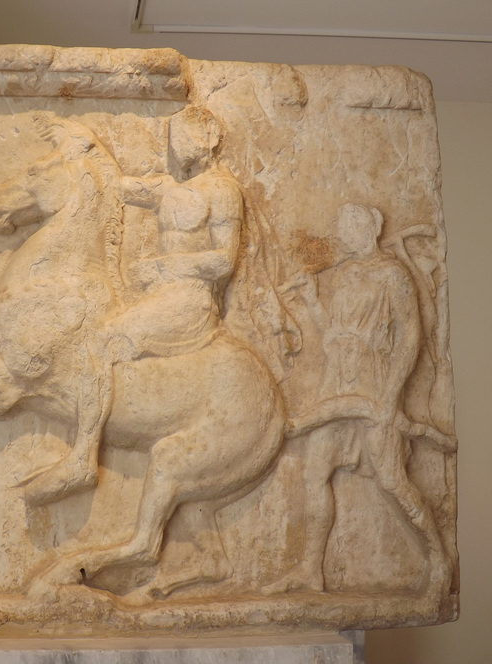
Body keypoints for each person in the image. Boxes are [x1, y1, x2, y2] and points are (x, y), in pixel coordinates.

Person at [23, 106, 243, 505]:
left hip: (190, 301)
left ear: (208, 138)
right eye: (173, 137)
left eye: (184, 136)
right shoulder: (167, 188)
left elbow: (224, 260)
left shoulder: (222, 191)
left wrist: (164, 268)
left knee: (100, 341)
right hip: (159, 295)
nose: (176, 146)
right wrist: (78, 148)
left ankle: (82, 459)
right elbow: (115, 186)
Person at [264, 203, 450, 593]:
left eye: (352, 224)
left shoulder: (392, 274)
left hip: (374, 381)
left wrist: (389, 395)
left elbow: (410, 337)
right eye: (342, 225)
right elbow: (334, 333)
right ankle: (311, 569)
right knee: (315, 472)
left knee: (392, 480)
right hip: (336, 380)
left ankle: (438, 558)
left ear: (372, 227)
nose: (345, 232)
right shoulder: (345, 274)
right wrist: (312, 299)